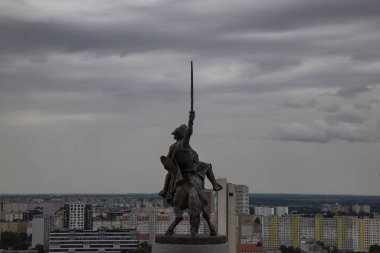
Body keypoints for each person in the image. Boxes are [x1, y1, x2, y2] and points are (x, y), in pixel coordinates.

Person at [159, 110, 222, 204]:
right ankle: (215, 185)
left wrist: (172, 167)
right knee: (207, 166)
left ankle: (164, 190)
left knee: (169, 174)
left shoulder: (172, 146)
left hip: (179, 170)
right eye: (183, 131)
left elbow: (169, 161)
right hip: (191, 167)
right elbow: (189, 132)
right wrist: (191, 120)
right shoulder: (183, 143)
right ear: (181, 134)